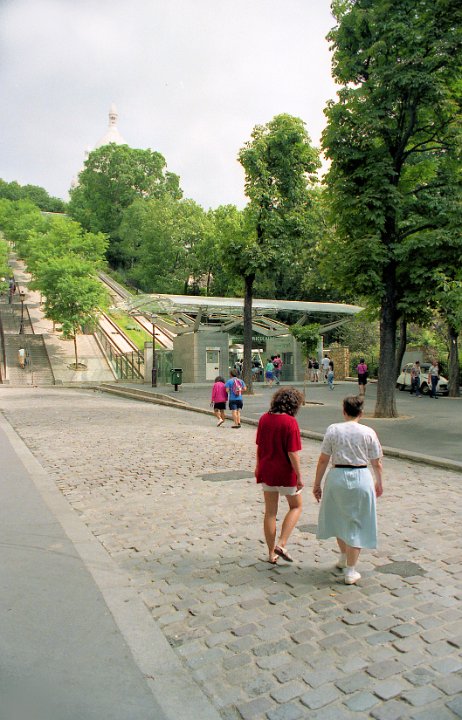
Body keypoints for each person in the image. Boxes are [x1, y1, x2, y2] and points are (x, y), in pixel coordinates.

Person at [312, 396, 383, 585]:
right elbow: (377, 462)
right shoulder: (368, 432)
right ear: (361, 413)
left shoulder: (333, 430)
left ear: (344, 411)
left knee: (338, 517)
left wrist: (317, 483)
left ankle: (344, 556)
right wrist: (379, 482)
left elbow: (323, 459)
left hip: (337, 476)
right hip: (361, 476)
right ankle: (350, 569)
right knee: (357, 522)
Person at [255, 387, 305, 564]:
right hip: (285, 472)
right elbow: (292, 453)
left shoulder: (264, 418)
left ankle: (271, 553)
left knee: (270, 512)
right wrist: (299, 475)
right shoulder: (290, 422)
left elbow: (260, 446)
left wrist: (258, 467)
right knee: (296, 506)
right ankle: (282, 543)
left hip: (267, 469)